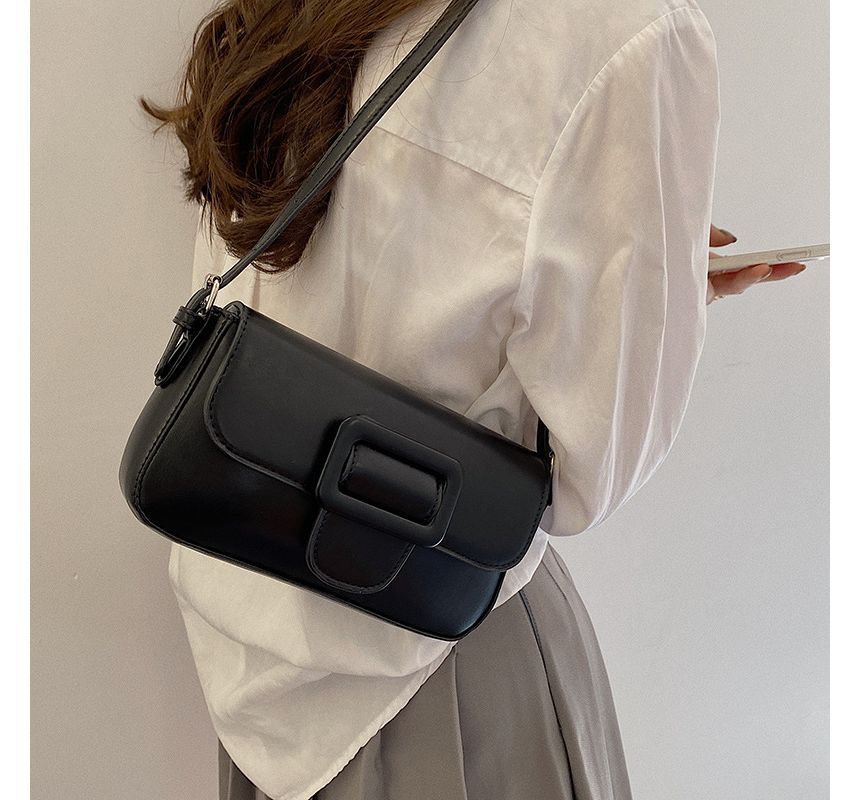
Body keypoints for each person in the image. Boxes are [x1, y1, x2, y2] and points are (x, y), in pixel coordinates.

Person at [139, 0, 805, 798]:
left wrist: (607, 269)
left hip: (245, 608)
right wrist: (640, 301)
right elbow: (585, 478)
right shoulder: (631, 28)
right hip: (442, 654)